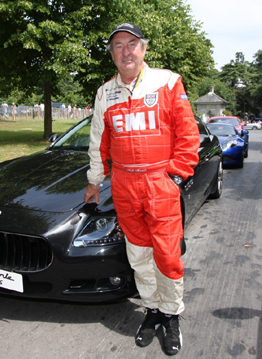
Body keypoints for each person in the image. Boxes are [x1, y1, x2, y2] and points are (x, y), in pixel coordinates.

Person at [83, 22, 200, 356]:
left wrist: (175, 177)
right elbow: (98, 141)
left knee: (167, 255)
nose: (126, 51)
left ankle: (171, 314)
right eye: (118, 46)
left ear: (143, 48)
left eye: (131, 44)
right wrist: (94, 181)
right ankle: (151, 310)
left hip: (159, 183)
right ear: (112, 55)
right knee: (138, 255)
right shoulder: (105, 93)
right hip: (124, 186)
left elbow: (188, 135)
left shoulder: (167, 81)